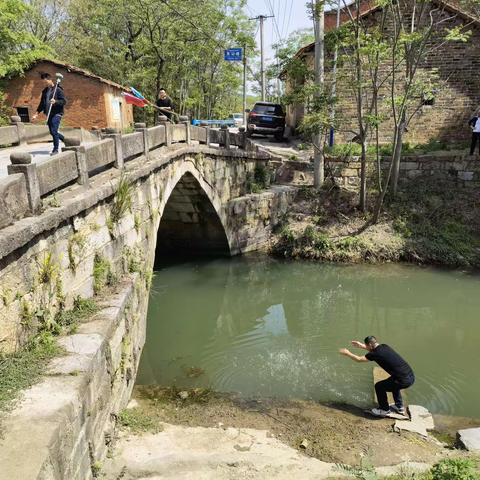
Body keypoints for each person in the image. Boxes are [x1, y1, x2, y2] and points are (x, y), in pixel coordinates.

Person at [339, 335, 415, 417]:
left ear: (370, 345)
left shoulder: (375, 354)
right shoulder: (384, 346)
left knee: (379, 386)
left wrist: (348, 353)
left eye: (367, 345)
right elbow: (373, 350)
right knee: (393, 383)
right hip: (410, 376)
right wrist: (361, 345)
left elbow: (359, 359)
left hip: (403, 380)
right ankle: (399, 407)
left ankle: (384, 410)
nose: (366, 347)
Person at [32, 72, 67, 156]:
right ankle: (65, 140)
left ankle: (55, 149)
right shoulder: (45, 91)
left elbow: (64, 101)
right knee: (52, 132)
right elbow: (41, 104)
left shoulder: (58, 89)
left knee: (54, 130)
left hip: (57, 113)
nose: (44, 84)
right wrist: (36, 114)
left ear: (50, 80)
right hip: (48, 114)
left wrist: (56, 101)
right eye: (43, 82)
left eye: (45, 82)